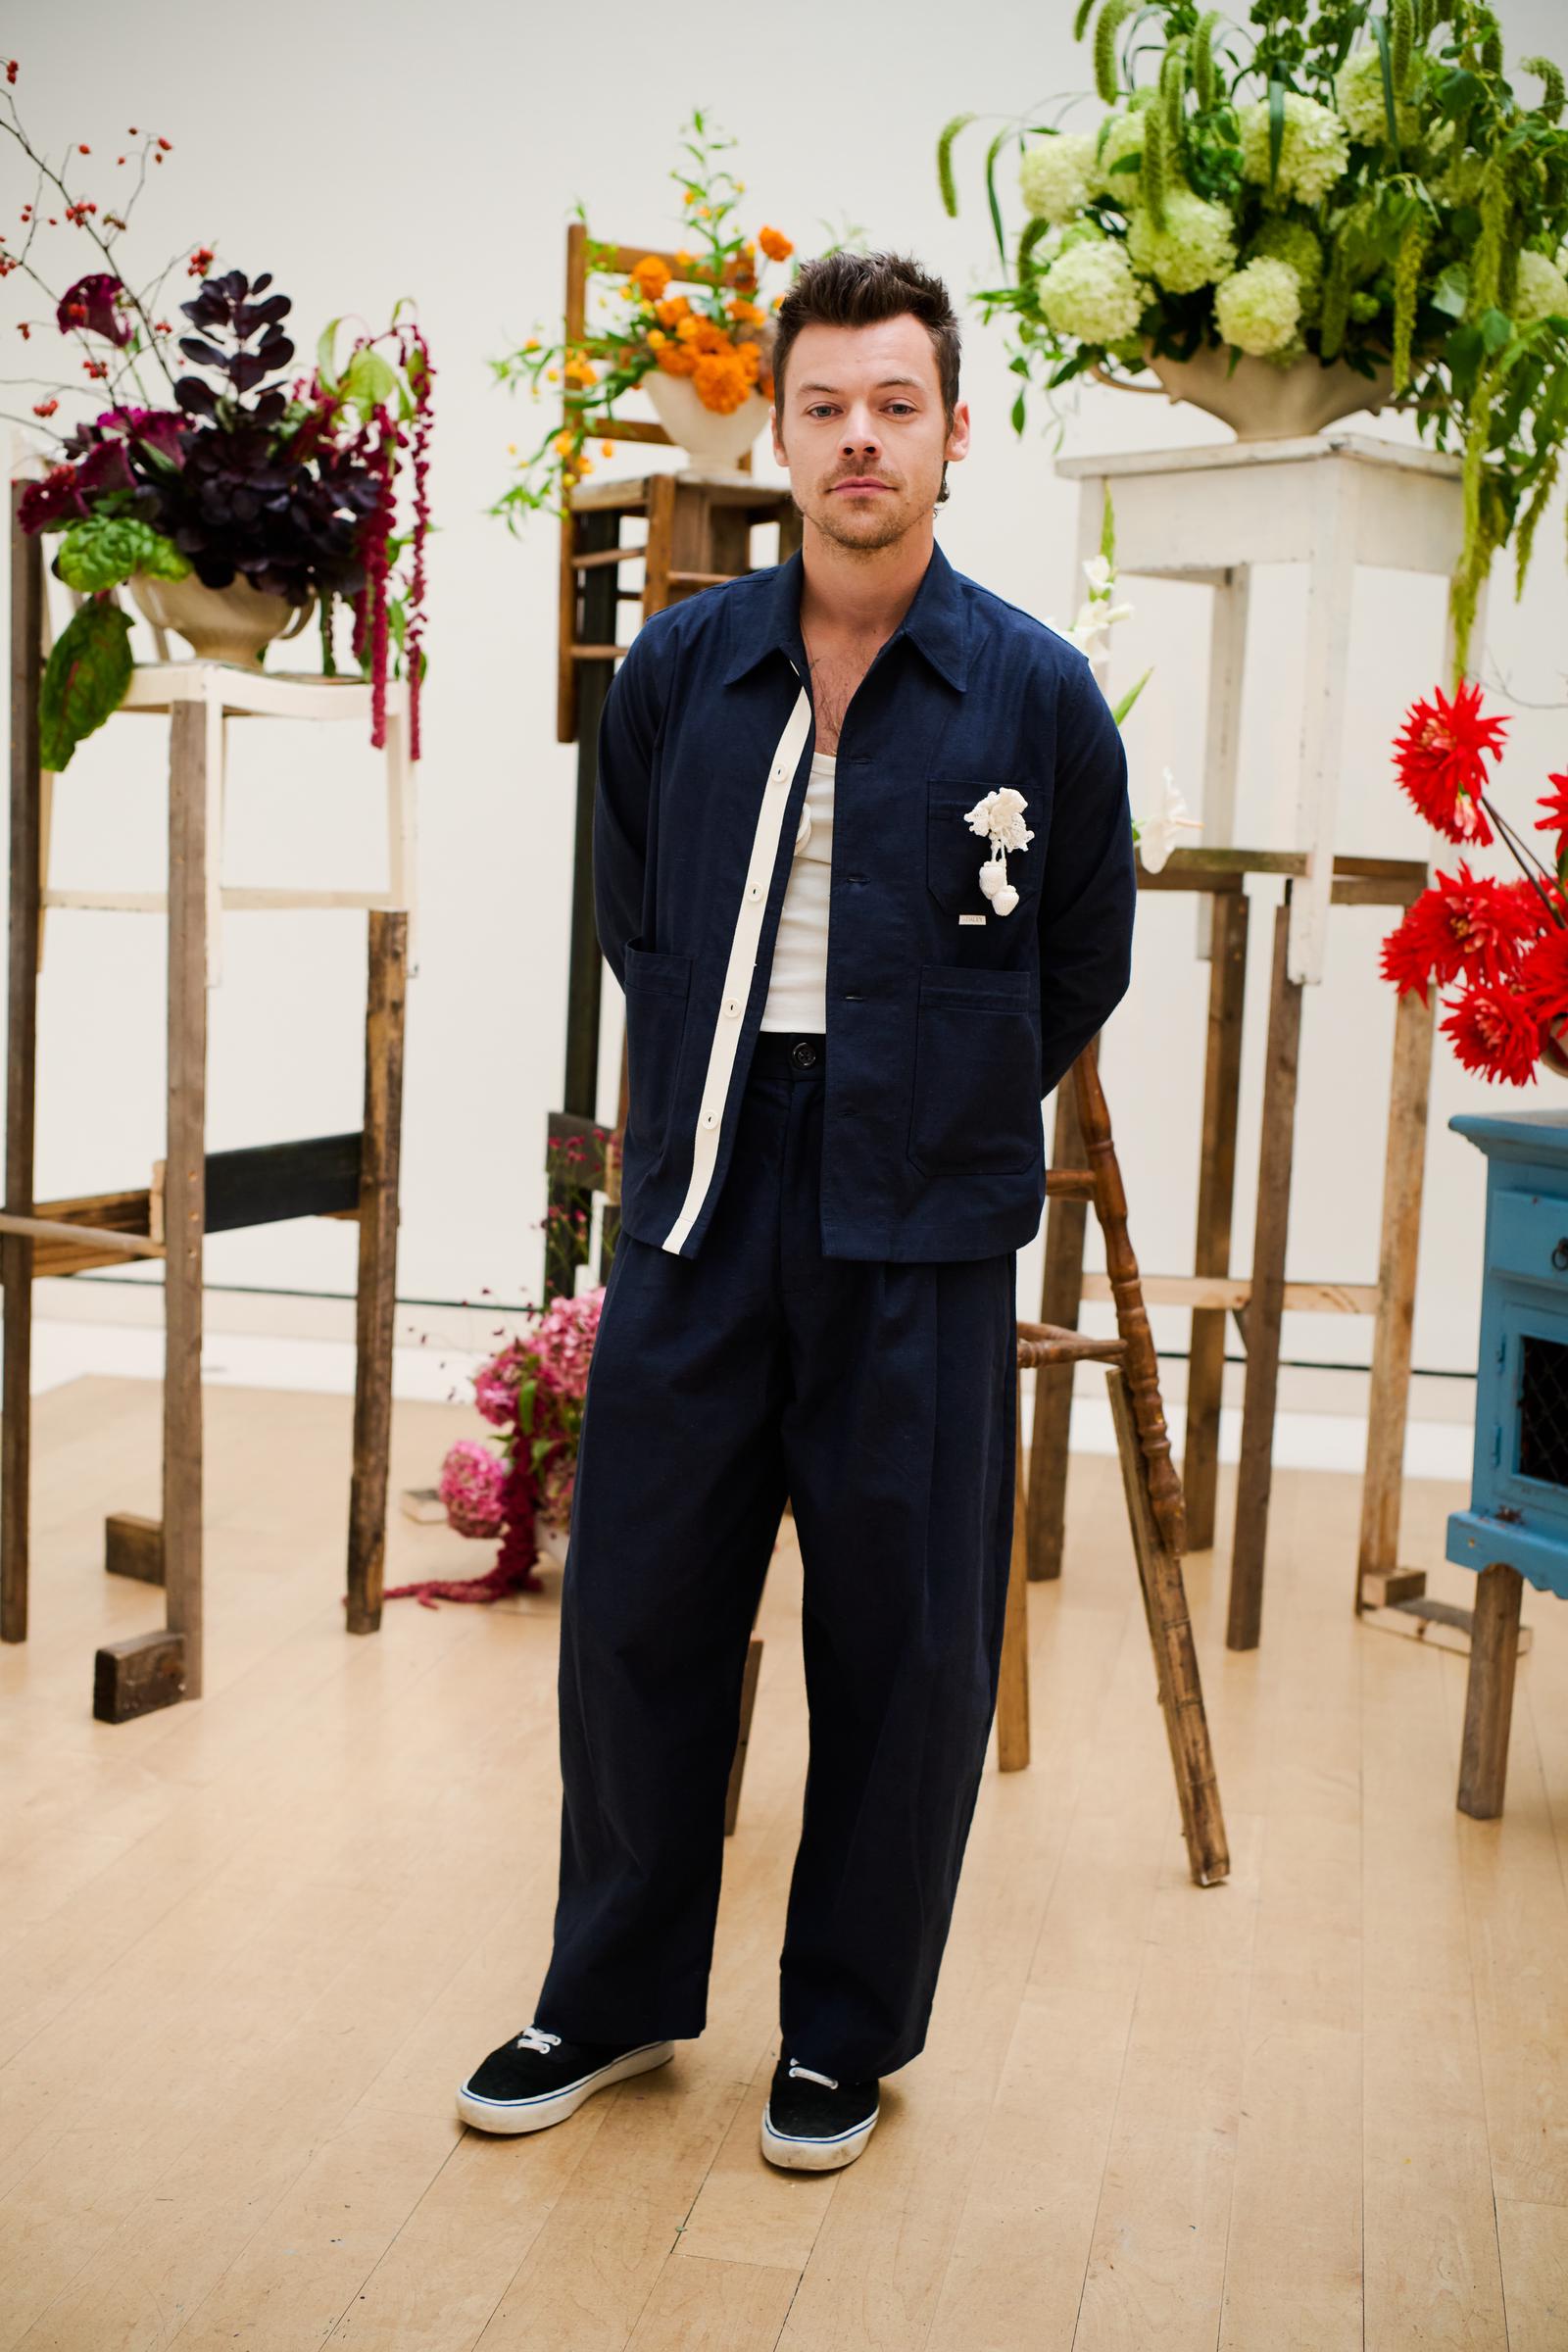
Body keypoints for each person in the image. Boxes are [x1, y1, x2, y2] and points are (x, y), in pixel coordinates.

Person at [457, 249, 1136, 2171]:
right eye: (824, 401)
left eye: (893, 404)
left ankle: (841, 2031)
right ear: (776, 424)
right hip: (702, 1194)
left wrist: (929, 1084)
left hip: (921, 1208)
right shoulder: (683, 667)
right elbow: (634, 913)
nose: (856, 437)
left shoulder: (1030, 692)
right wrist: (717, 1085)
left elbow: (1077, 941)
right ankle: (601, 1999)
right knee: (642, 1607)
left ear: (952, 433)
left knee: (905, 1640)